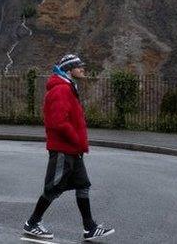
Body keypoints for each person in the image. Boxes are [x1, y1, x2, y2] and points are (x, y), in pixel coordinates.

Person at [23, 54, 115, 241]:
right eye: (78, 66)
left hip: (73, 150)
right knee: (53, 188)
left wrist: (78, 144)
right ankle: (32, 223)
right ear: (68, 69)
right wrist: (77, 140)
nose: (83, 69)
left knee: (83, 185)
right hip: (64, 149)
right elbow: (58, 122)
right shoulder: (61, 90)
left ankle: (89, 228)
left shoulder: (68, 87)